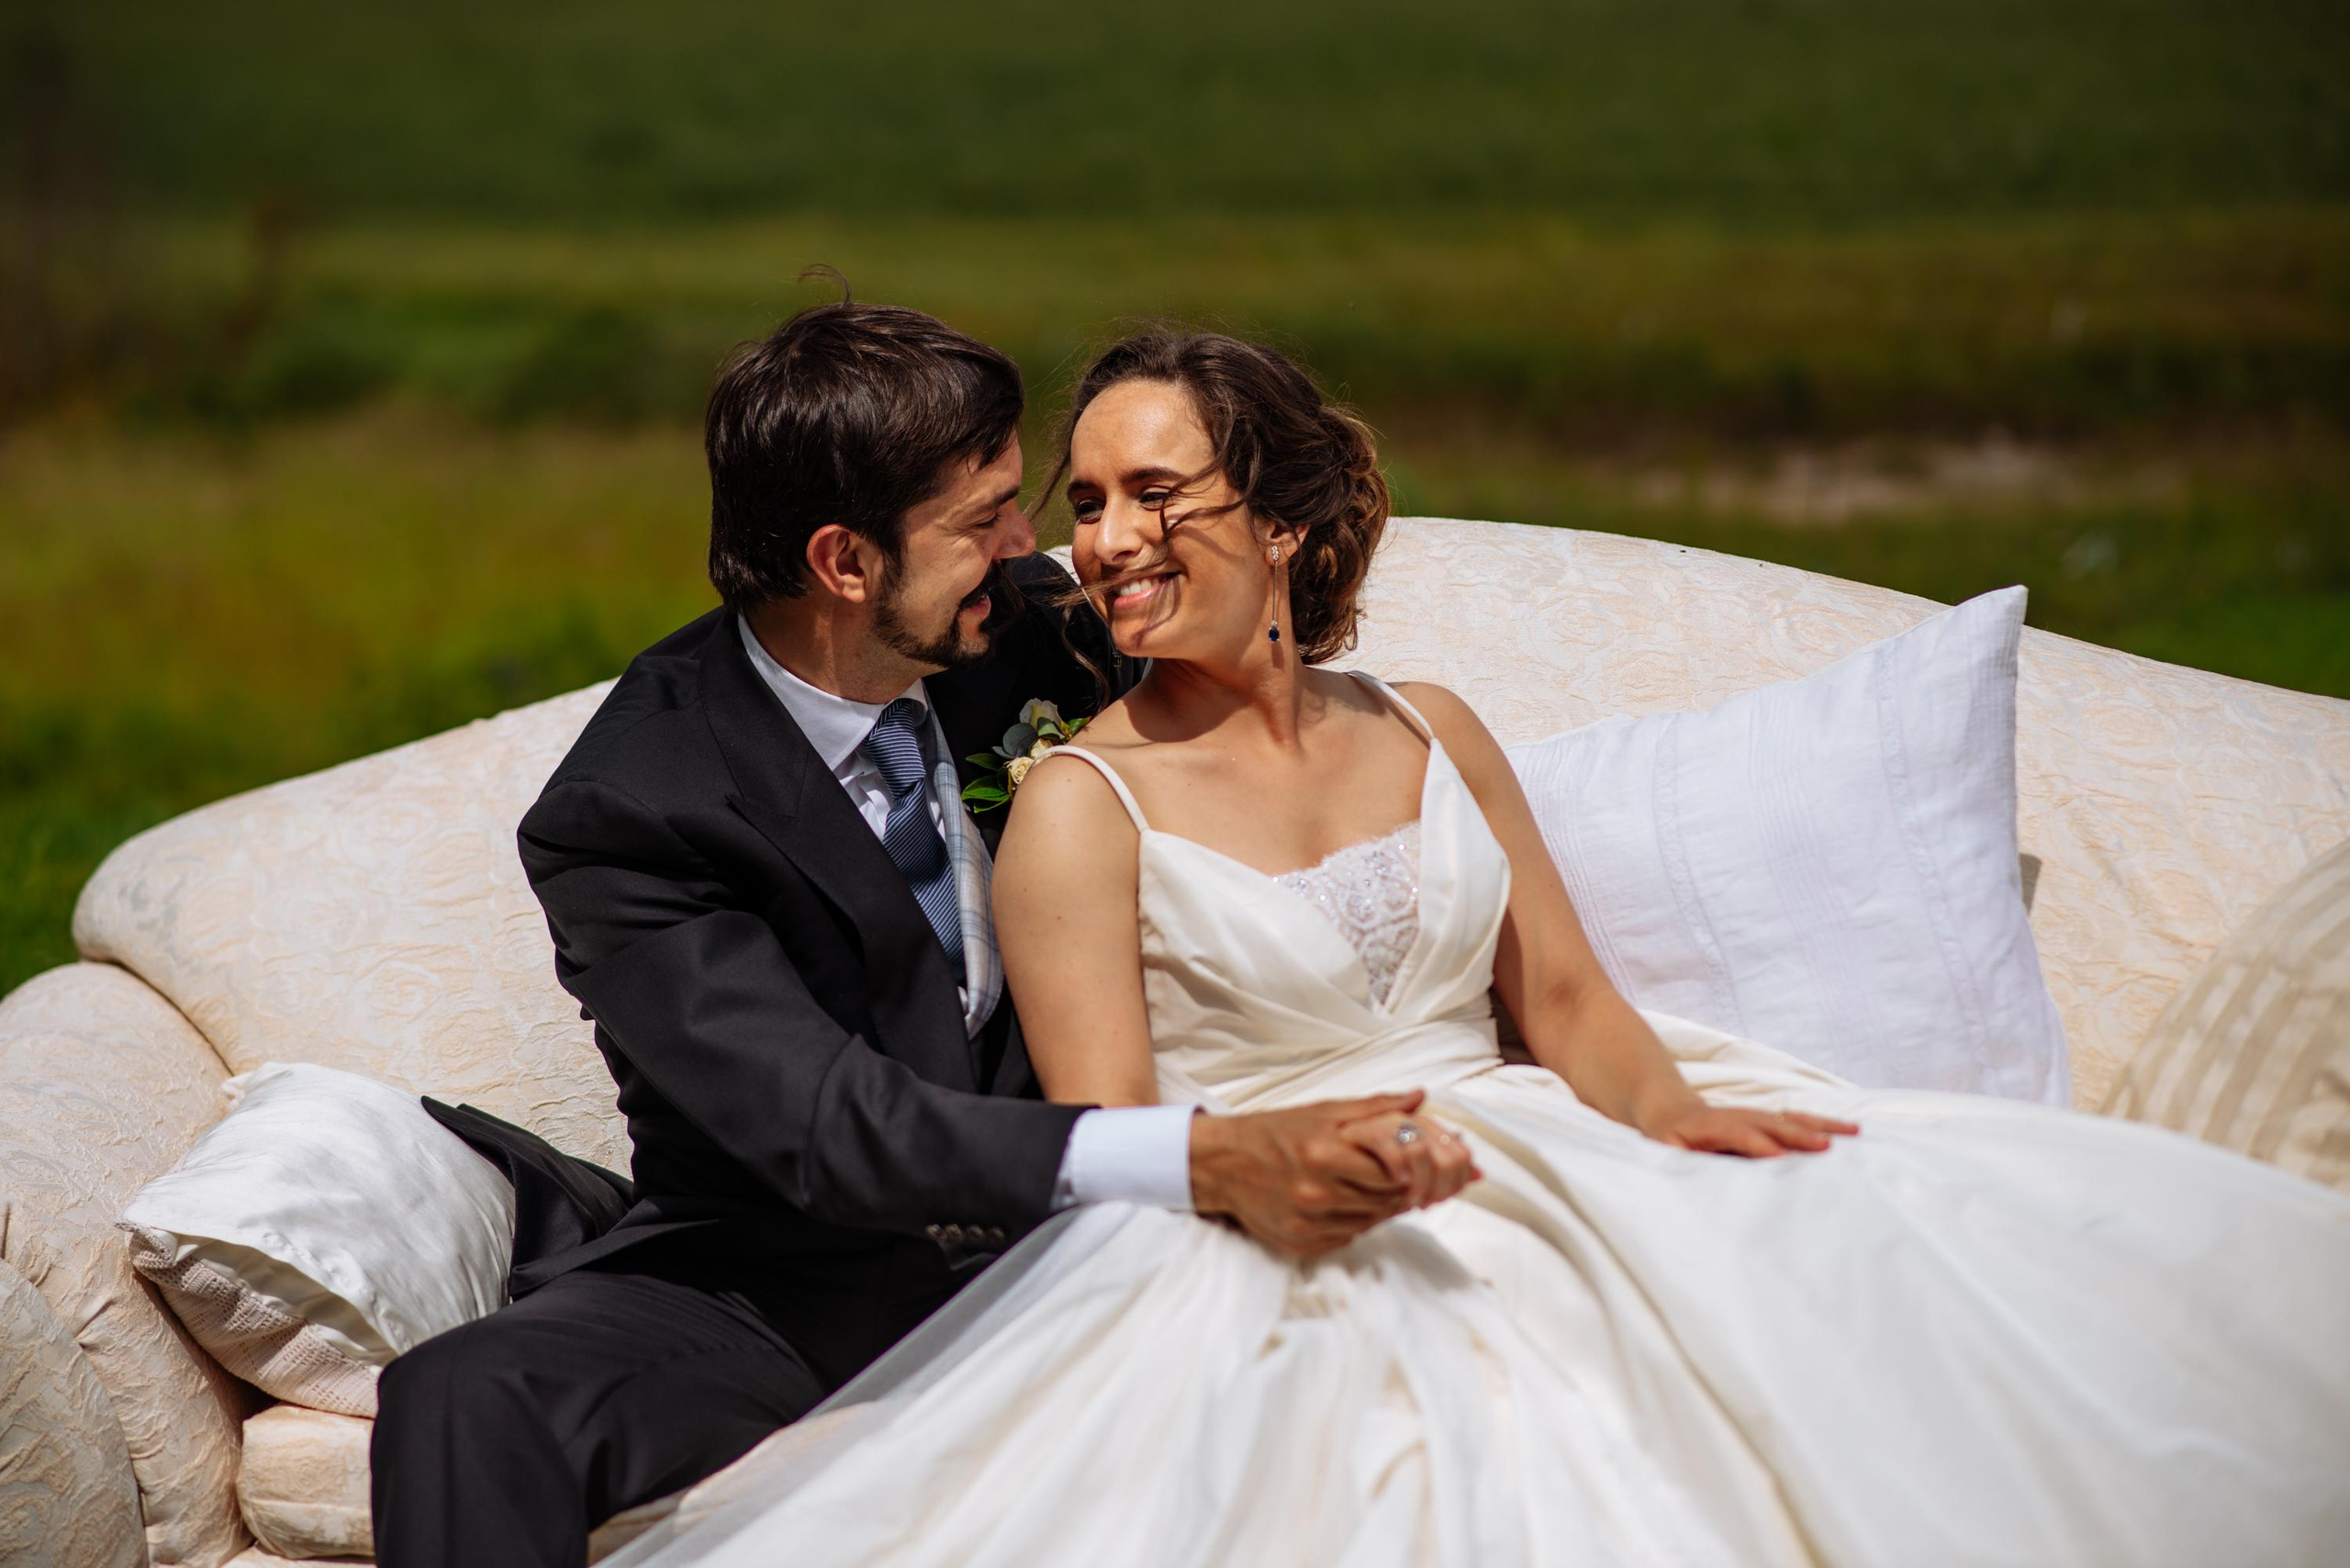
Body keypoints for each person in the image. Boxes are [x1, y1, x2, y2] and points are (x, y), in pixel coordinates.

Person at [600, 330, 2350, 1568]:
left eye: (1156, 494)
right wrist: (1289, 1181)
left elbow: (1567, 1000)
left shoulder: (1430, 721)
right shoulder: (1076, 800)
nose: (1100, 544)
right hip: (1263, 1206)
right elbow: (1109, 1127)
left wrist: (1681, 1123)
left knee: (1898, 1293)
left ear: (1278, 520)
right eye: (1077, 500)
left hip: (1544, 1142)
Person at [368, 304, 1480, 1568]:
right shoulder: (635, 808)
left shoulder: (1040, 640)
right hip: (787, 1291)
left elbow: (1262, 754)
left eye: (1018, 500)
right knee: (460, 1398)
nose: (1030, 543)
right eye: (981, 520)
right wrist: (1199, 1158)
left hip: (1089, 1257)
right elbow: (832, 1127)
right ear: (847, 565)